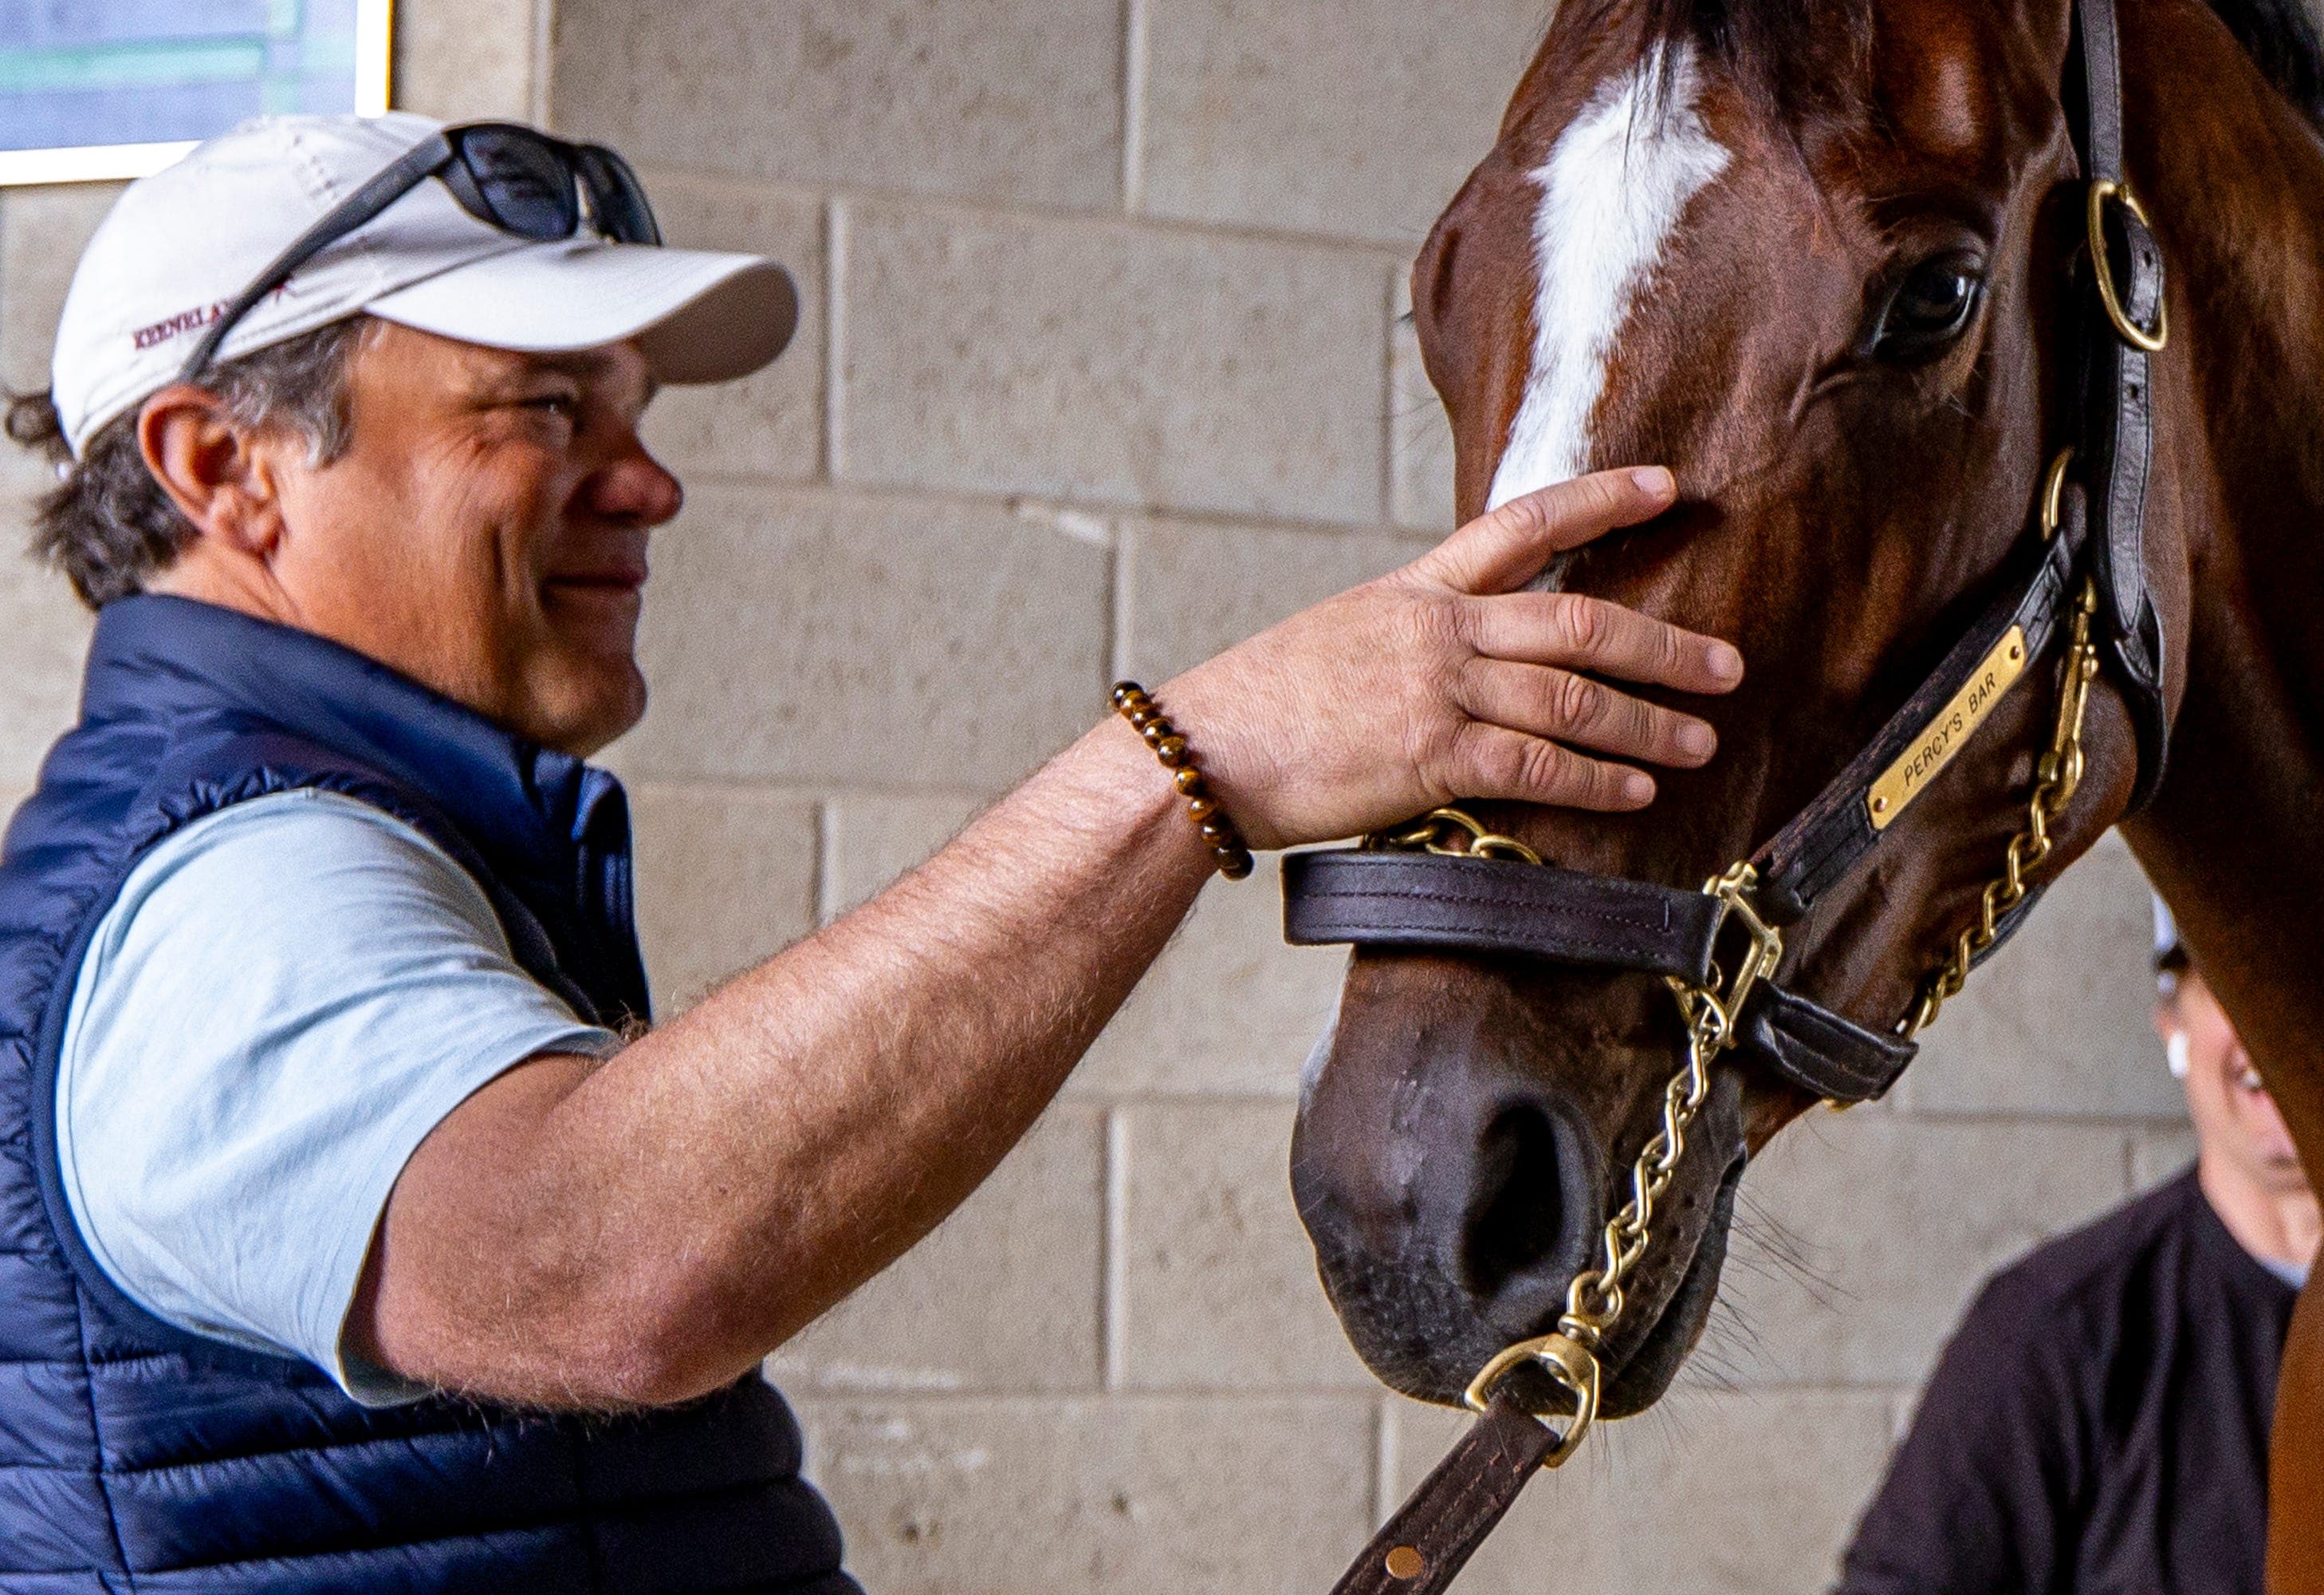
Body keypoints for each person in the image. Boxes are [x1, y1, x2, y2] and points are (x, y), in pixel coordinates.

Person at [0, 114, 1745, 1589]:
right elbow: (595, 1264)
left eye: (635, 411)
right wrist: (1200, 759)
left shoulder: (342, 840)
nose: (650, 484)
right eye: (542, 410)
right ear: (224, 466)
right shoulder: (231, 888)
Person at [1836, 897, 2322, 1595]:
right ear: (2173, 1025)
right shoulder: (2058, 1329)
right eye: (2231, 978)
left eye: (2313, 985)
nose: (2274, 1021)